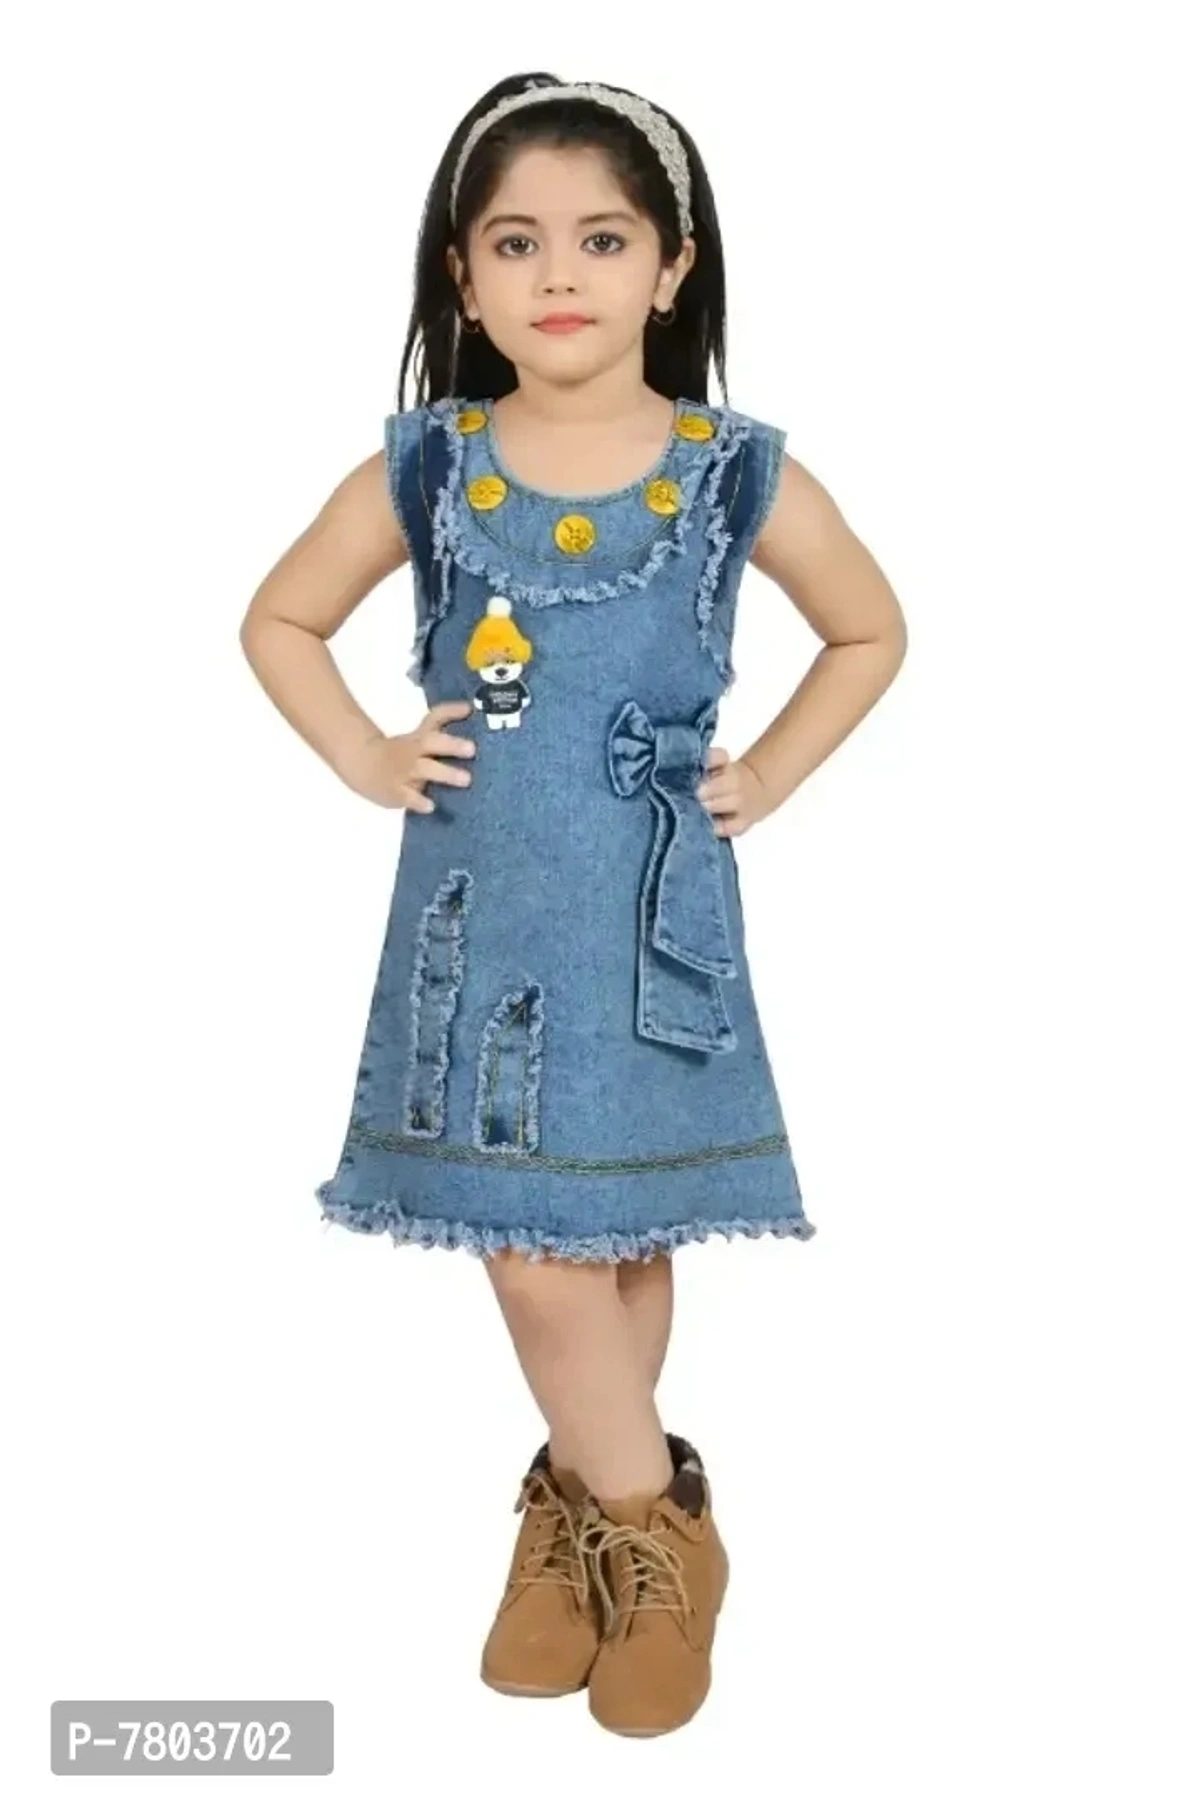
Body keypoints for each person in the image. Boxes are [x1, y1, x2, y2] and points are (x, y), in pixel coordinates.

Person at [239, 71, 906, 1737]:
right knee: (538, 1258)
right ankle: (658, 1530)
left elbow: (871, 629)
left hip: (653, 916)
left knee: (614, 1244)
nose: (560, 273)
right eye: (517, 241)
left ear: (671, 268)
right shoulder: (430, 466)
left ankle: (581, 1530)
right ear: (461, 278)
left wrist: (773, 771)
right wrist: (366, 752)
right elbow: (278, 621)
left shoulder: (733, 471)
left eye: (603, 239)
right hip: (480, 922)